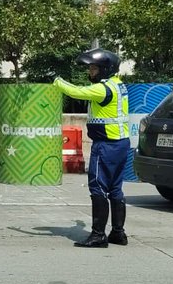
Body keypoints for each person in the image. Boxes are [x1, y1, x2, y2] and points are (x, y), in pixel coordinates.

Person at [52, 48, 130, 248]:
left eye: (94, 69)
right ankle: (118, 233)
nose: (90, 72)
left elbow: (76, 91)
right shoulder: (118, 85)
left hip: (105, 145)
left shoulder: (102, 89)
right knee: (115, 188)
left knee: (98, 187)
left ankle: (98, 235)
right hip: (121, 143)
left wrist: (57, 81)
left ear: (105, 69)